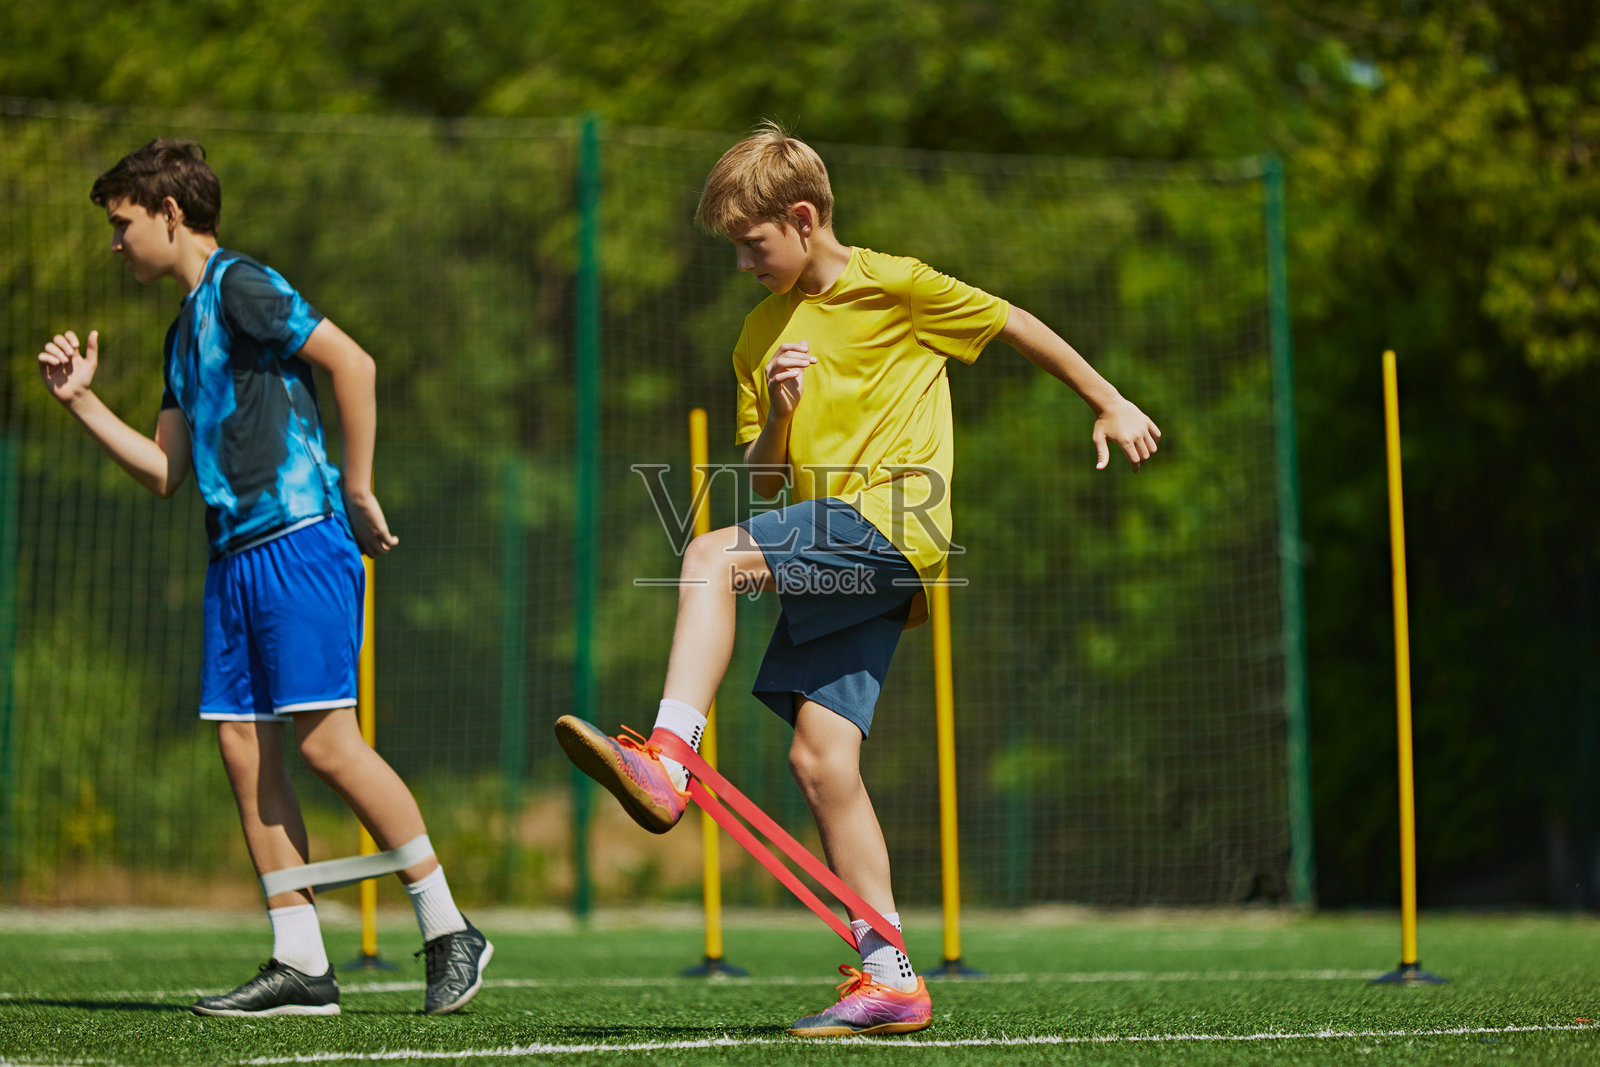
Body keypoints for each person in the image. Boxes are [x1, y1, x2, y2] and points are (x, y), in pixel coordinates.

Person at [556, 120, 1159, 1037]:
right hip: (832, 549)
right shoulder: (759, 335)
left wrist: (1107, 399)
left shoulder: (899, 286)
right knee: (822, 760)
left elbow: (1015, 321)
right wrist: (782, 417)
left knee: (709, 554)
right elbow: (762, 480)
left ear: (803, 220)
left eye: (754, 245)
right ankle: (892, 975)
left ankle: (670, 758)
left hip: (893, 524)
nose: (745, 264)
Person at [35, 140, 491, 1018]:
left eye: (122, 224)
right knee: (245, 751)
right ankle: (302, 964)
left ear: (170, 214)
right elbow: (167, 472)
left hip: (299, 542)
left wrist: (356, 488)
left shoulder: (241, 283)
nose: (115, 242)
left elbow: (351, 362)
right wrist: (83, 402)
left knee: (326, 743)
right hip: (232, 557)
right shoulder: (181, 332)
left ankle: (449, 928)